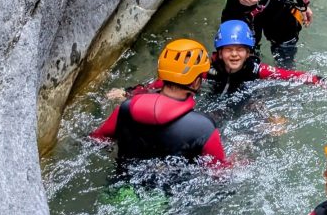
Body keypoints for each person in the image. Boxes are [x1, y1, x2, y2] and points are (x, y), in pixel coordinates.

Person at [90, 38, 228, 166]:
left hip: (119, 189)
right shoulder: (203, 127)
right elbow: (220, 173)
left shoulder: (127, 108)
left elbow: (96, 139)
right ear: (195, 82)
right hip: (167, 192)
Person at [208, 20, 327, 96]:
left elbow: (292, 75)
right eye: (228, 50)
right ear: (219, 54)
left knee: (256, 106)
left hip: (247, 96)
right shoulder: (208, 68)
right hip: (217, 92)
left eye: (240, 49)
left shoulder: (256, 69)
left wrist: (326, 83)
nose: (234, 54)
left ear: (248, 53)